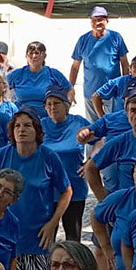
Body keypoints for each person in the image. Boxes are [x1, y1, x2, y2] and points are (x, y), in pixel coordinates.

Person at [0, 111, 72, 270]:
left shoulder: (48, 157)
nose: (21, 130)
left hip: (37, 238)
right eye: (17, 126)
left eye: (27, 125)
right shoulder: (1, 155)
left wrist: (53, 223)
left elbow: (67, 191)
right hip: (5, 237)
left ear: (37, 130)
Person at [40, 90, 91, 241]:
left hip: (74, 186)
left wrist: (91, 161)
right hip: (47, 189)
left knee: (73, 237)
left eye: (56, 103)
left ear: (66, 106)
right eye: (48, 104)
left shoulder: (79, 122)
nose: (52, 107)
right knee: (45, 238)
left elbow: (100, 139)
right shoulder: (40, 126)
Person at [69, 6, 130, 121]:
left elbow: (125, 64)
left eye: (101, 20)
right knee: (93, 127)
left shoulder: (116, 37)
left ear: (107, 21)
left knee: (113, 124)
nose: (97, 23)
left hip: (112, 93)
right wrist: (71, 88)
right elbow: (75, 67)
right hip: (90, 92)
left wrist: (125, 87)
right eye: (94, 20)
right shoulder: (83, 40)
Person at [7, 41, 73, 122]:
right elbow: (1, 86)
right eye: (30, 53)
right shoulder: (17, 74)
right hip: (21, 119)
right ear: (26, 56)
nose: (34, 56)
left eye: (37, 53)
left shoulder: (53, 73)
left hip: (48, 119)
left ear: (44, 56)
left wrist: (66, 108)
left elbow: (70, 90)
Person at [91, 51, 136, 118]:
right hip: (118, 122)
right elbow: (96, 96)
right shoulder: (120, 82)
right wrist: (103, 119)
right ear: (130, 69)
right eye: (135, 66)